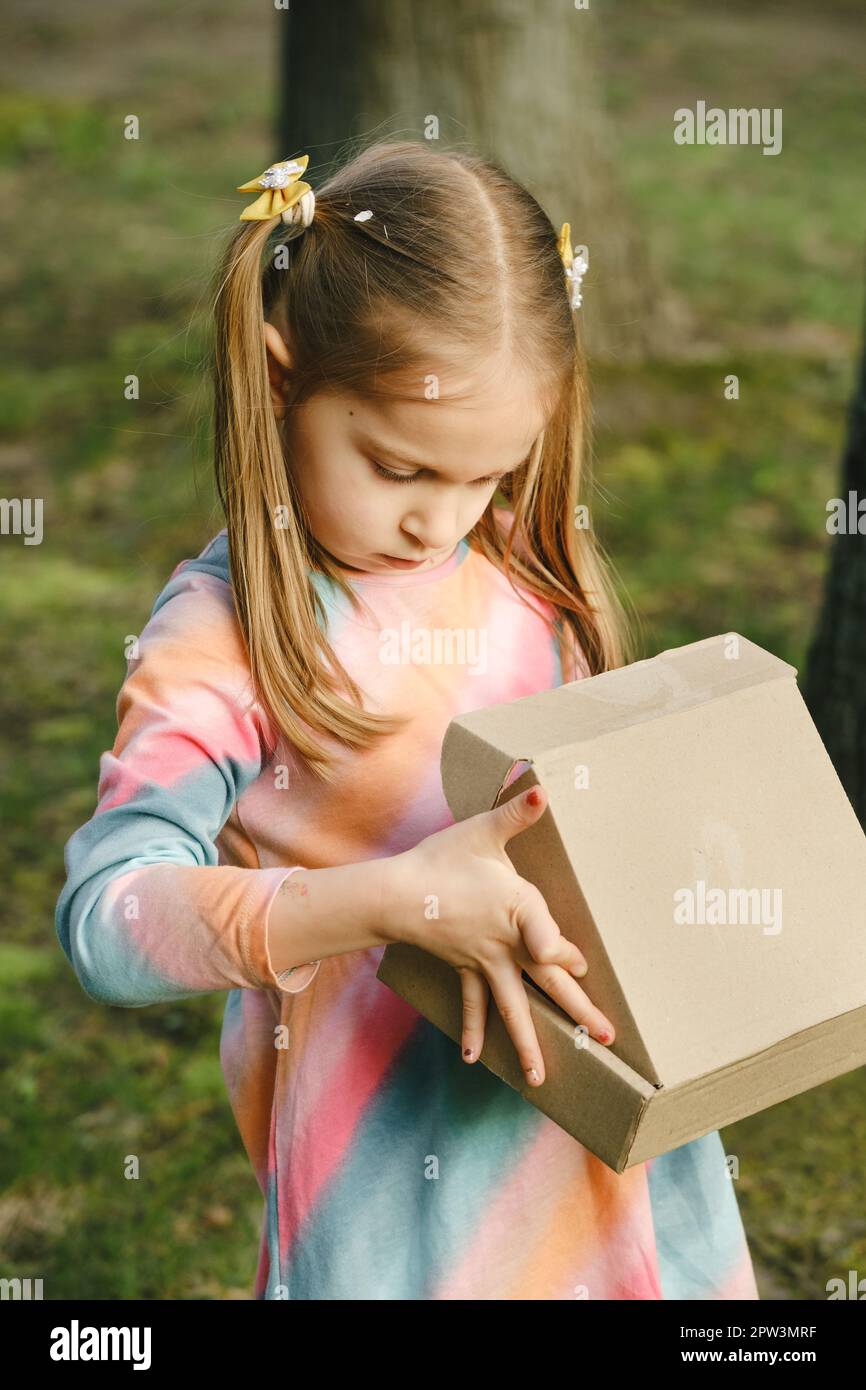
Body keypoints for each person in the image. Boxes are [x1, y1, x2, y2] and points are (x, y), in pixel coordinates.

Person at [55, 139, 759, 1300]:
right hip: (400, 1184)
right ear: (281, 382)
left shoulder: (522, 588)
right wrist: (394, 899)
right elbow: (107, 921)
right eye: (397, 468)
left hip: (608, 1143)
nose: (440, 522)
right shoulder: (225, 636)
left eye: (484, 478)